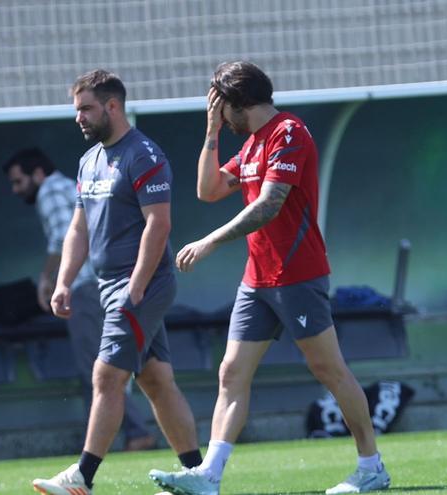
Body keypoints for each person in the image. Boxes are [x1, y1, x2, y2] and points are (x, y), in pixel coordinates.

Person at [149, 61, 391, 494]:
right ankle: (209, 476)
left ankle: (371, 467)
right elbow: (207, 190)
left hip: (297, 274)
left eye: (221, 108)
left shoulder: (289, 133)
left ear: (238, 102)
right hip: (257, 280)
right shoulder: (251, 145)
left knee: (329, 369)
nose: (221, 116)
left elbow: (269, 204)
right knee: (231, 373)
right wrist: (211, 132)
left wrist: (210, 241)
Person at [31, 69, 202, 495]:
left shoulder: (143, 154)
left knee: (106, 377)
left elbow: (158, 224)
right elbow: (78, 228)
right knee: (156, 381)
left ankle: (82, 477)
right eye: (77, 110)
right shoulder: (88, 161)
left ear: (112, 106)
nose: (79, 118)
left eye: (86, 109)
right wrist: (64, 282)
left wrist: (137, 285)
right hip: (109, 285)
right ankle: (200, 476)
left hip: (140, 285)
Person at [2, 147, 156, 452]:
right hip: (104, 285)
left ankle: (137, 433)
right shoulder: (69, 185)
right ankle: (97, 443)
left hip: (86, 289)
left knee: (95, 368)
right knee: (100, 369)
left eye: (18, 181)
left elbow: (62, 239)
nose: (15, 189)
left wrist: (48, 279)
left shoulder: (50, 190)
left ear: (38, 173)